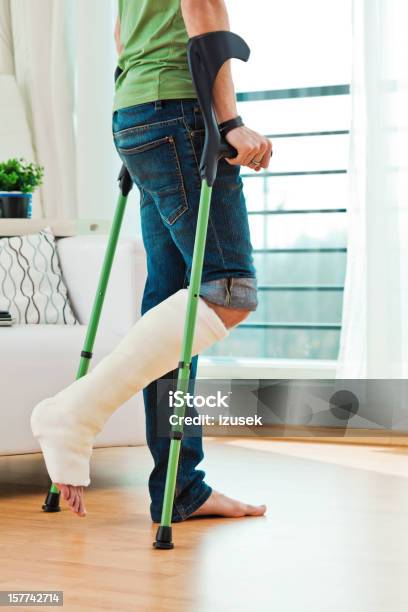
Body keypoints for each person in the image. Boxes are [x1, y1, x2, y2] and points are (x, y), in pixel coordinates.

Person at [31, 0, 272, 520]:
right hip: (180, 112)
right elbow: (201, 8)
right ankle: (73, 413)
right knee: (228, 289)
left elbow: (123, 34)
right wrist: (228, 120)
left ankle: (182, 487)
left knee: (174, 309)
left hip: (136, 113)